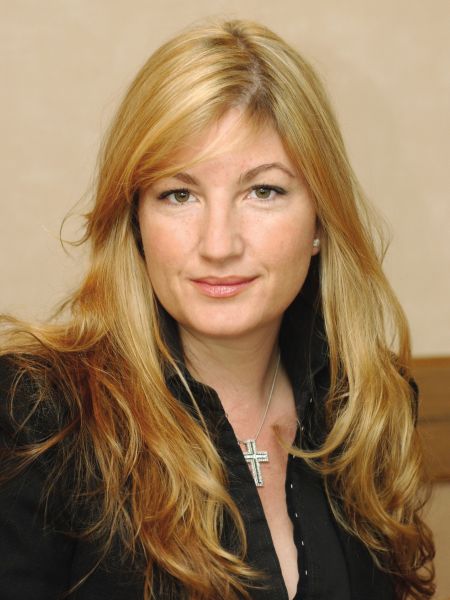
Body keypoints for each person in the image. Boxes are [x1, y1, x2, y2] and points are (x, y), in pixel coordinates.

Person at [0, 18, 435, 600]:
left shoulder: (368, 409)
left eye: (264, 191)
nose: (219, 244)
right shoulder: (39, 416)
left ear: (320, 220)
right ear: (135, 221)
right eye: (179, 194)